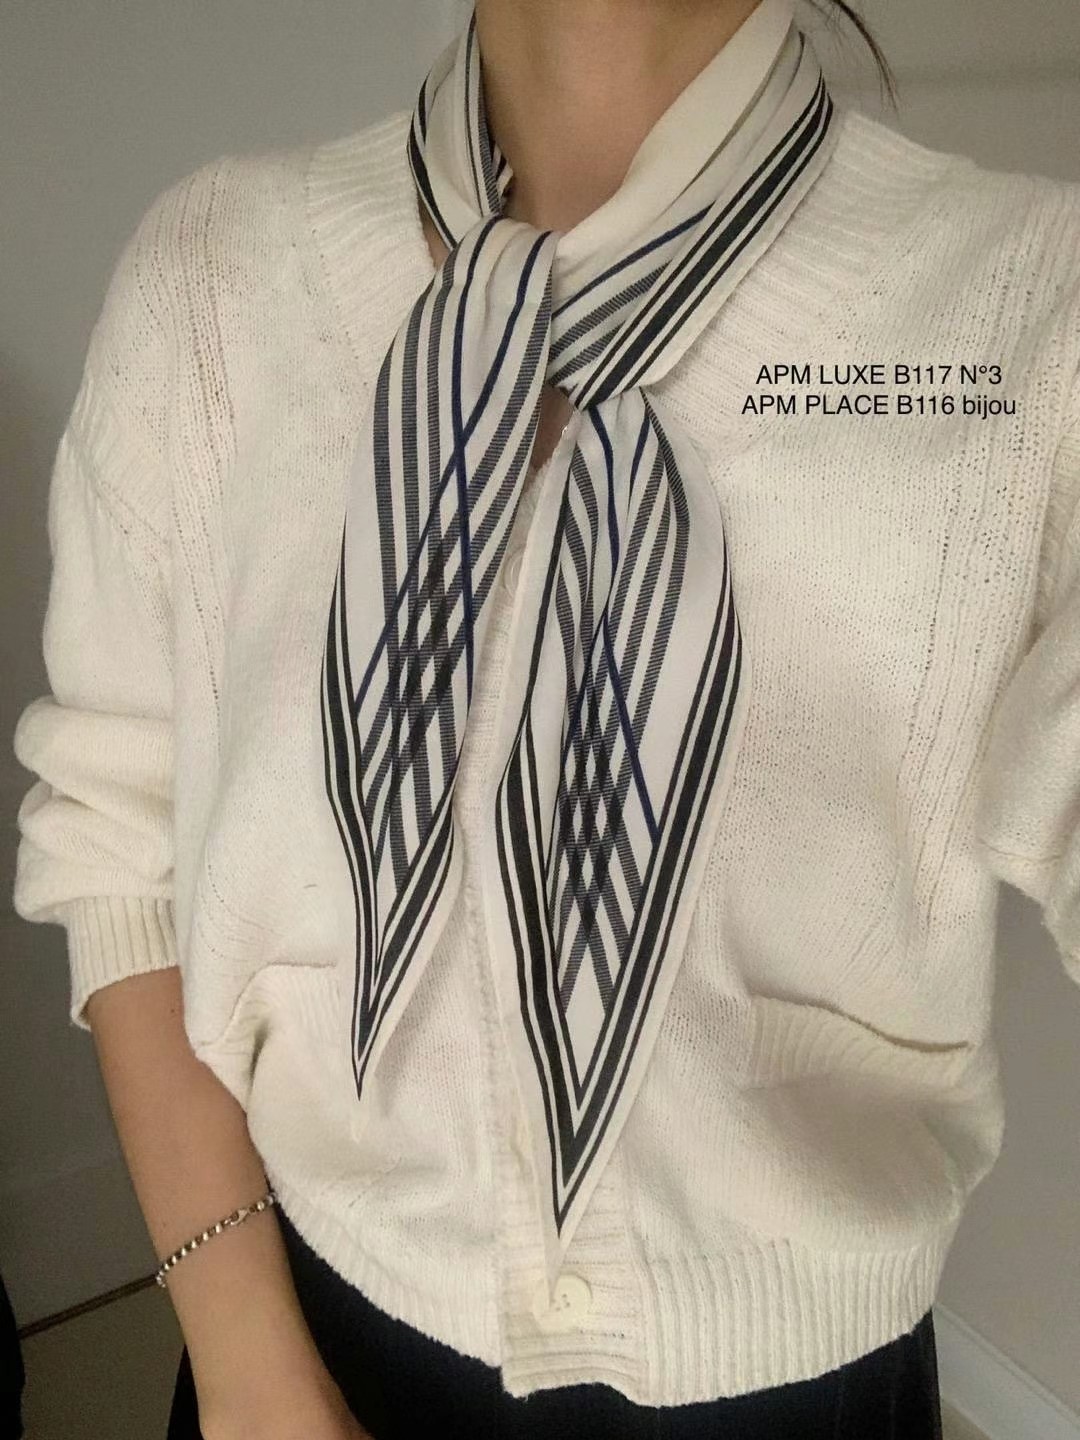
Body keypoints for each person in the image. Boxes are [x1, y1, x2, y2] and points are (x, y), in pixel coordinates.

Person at [10, 0, 1080, 1436]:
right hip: (286, 1331)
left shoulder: (1031, 313)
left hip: (796, 1392)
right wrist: (253, 1370)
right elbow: (116, 833)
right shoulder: (212, 276)